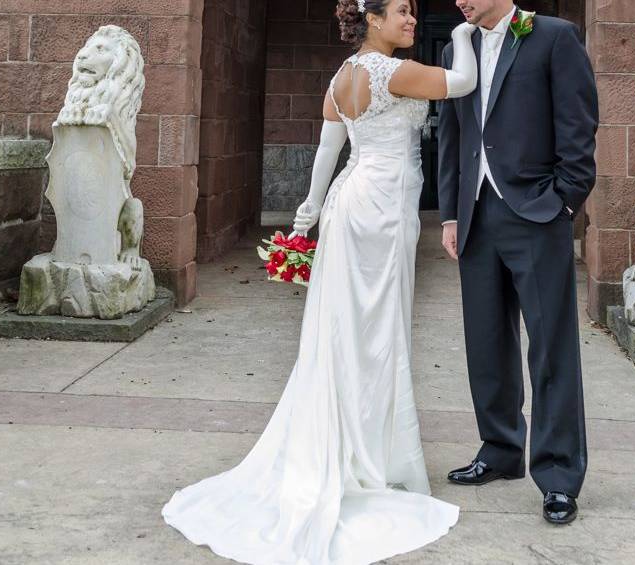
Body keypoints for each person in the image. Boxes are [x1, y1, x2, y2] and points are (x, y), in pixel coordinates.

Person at [161, 0, 478, 563]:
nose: (411, 20)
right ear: (374, 20)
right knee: (378, 330)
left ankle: (356, 445)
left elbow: (327, 154)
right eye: (403, 12)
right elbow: (462, 81)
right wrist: (461, 30)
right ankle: (372, 458)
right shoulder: (393, 71)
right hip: (383, 210)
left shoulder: (340, 78)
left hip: (346, 205)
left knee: (343, 330)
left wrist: (304, 221)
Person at [437, 0, 598, 525]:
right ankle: (501, 449)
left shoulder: (552, 37)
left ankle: (557, 475)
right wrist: (449, 215)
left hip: (536, 212)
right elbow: (453, 135)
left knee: (550, 344)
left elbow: (578, 124)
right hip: (475, 215)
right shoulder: (455, 47)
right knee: (486, 341)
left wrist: (564, 202)